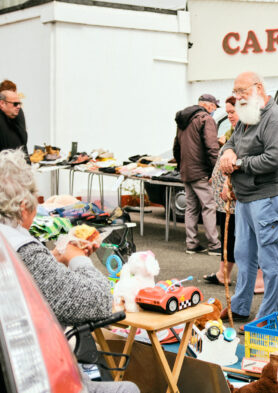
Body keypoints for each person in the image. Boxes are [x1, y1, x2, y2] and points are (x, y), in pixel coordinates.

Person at [0, 149, 139, 393]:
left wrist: (54, 258)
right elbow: (98, 301)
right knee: (127, 389)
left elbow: (37, 279)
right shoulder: (23, 251)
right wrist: (77, 259)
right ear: (23, 207)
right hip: (33, 378)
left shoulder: (10, 244)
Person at [218, 71, 278, 328]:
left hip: (267, 197)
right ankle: (239, 307)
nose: (238, 97)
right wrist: (227, 153)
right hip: (245, 198)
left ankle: (269, 316)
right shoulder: (246, 118)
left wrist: (238, 163)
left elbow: (275, 158)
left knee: (269, 260)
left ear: (259, 88)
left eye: (242, 92)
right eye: (235, 92)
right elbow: (231, 142)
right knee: (244, 255)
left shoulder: (275, 118)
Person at [203, 96, 264, 293]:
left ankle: (259, 280)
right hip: (226, 197)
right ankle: (223, 273)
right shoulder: (235, 131)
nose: (229, 116)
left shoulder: (249, 133)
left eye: (233, 112)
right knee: (228, 235)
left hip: (238, 194)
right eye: (228, 112)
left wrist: (230, 185)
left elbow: (244, 164)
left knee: (248, 237)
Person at [173, 94, 222, 255]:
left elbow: (176, 147)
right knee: (209, 206)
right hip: (201, 171)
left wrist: (181, 167)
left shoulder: (183, 120)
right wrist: (216, 170)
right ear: (207, 105)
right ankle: (214, 245)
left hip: (187, 170)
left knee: (191, 208)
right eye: (214, 107)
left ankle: (192, 243)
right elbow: (212, 148)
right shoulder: (205, 119)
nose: (214, 110)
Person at [0, 82, 29, 156]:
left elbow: (23, 140)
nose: (18, 106)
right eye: (15, 103)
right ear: (2, 103)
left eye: (19, 103)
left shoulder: (17, 113)